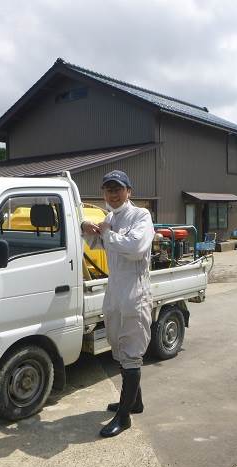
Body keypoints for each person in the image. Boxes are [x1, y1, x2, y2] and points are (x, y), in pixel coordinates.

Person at [81, 170, 155, 437]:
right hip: (114, 288)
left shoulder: (141, 216)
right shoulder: (109, 217)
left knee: (132, 350)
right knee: (116, 343)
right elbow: (102, 245)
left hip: (135, 291)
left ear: (129, 191)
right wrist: (88, 231)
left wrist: (107, 234)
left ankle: (123, 417)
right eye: (108, 190)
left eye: (118, 189)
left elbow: (136, 248)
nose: (113, 194)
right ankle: (134, 401)